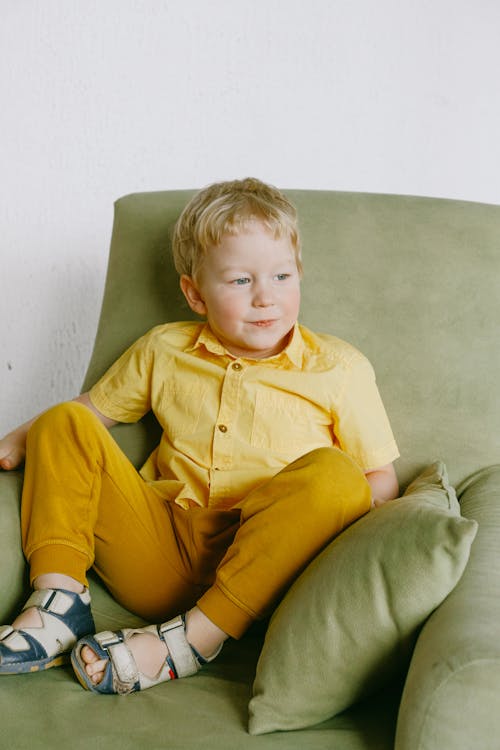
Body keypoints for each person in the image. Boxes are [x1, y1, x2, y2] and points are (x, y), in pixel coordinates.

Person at [0, 178, 399, 694]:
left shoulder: (338, 368)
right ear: (194, 293)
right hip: (163, 548)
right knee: (62, 419)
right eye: (239, 281)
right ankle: (58, 602)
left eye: (281, 276)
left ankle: (192, 640)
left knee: (338, 476)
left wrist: (327, 531)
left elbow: (379, 479)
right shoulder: (164, 349)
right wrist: (17, 438)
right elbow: (91, 412)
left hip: (265, 561)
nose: (265, 298)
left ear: (299, 275)